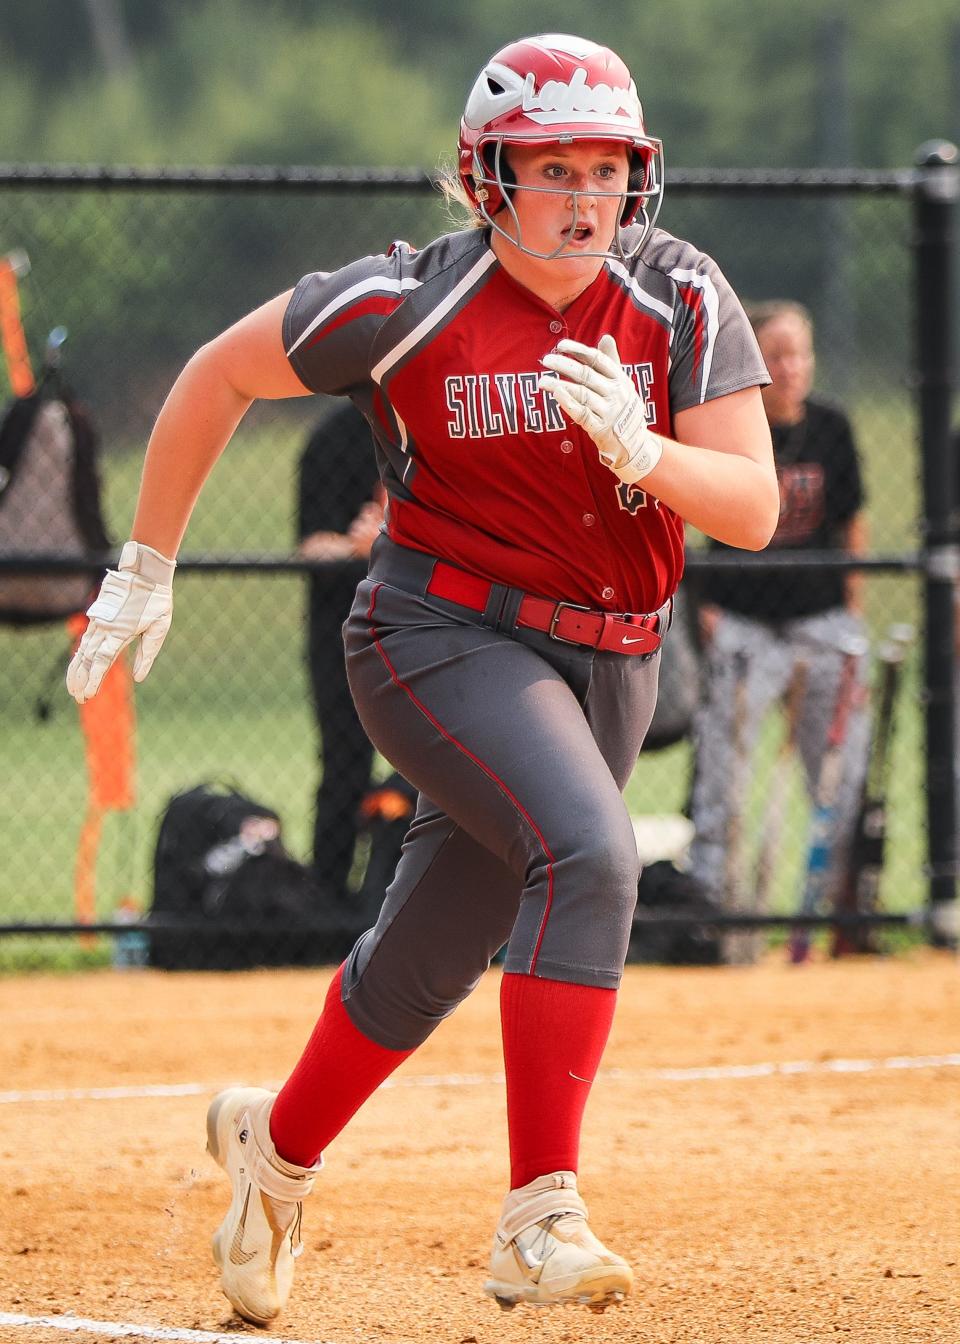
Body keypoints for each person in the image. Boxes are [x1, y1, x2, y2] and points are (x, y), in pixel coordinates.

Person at [65, 33, 778, 1324]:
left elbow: (756, 506)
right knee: (593, 853)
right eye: (548, 166)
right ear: (482, 177)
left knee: (430, 956)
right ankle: (537, 1217)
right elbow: (215, 374)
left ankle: (270, 1160)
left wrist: (647, 452)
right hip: (435, 633)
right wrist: (144, 566)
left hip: (608, 656)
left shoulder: (679, 291)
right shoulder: (404, 304)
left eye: (608, 168)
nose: (583, 196)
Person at [687, 300, 869, 958]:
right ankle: (717, 922)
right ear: (756, 364)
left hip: (822, 623)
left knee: (836, 778)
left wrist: (851, 612)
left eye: (800, 353)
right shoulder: (731, 427)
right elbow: (693, 512)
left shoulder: (832, 427)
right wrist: (706, 607)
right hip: (744, 622)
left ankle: (827, 921)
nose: (790, 368)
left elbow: (852, 523)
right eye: (777, 355)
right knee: (724, 778)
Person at [296, 401, 384, 904]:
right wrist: (363, 547)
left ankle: (409, 897)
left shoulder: (432, 419)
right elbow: (311, 547)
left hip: (429, 625)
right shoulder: (333, 438)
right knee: (344, 766)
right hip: (343, 632)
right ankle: (329, 903)